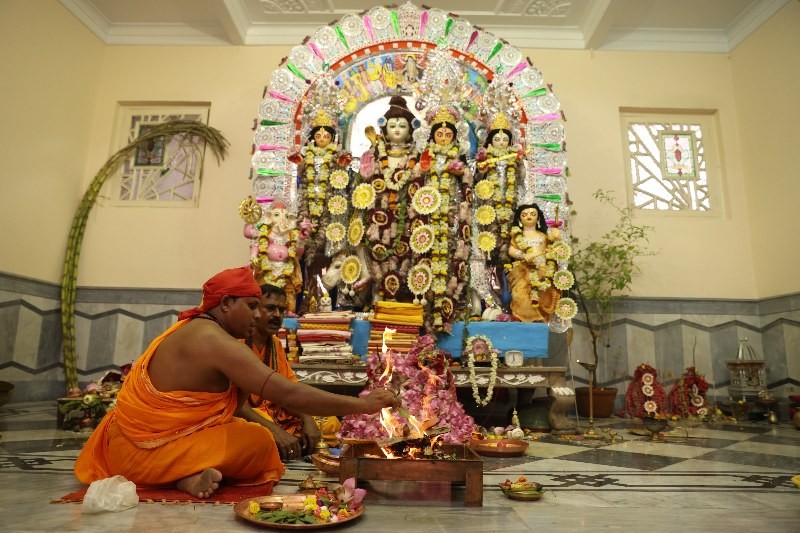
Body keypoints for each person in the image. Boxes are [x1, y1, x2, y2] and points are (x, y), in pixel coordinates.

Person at [73, 267, 398, 499]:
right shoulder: (215, 341)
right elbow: (287, 392)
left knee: (253, 433)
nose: (258, 316)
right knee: (260, 444)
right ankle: (179, 477)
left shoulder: (199, 328)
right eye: (253, 306)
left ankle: (185, 476)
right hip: (141, 454)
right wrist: (363, 405)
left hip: (126, 442)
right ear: (226, 304)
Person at [238, 284, 341, 460]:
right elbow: (234, 405)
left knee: (331, 424)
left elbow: (289, 391)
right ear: (254, 309)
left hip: (278, 415)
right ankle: (286, 444)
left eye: (281, 310)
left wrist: (307, 418)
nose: (277, 315)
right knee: (258, 431)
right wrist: (274, 430)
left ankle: (288, 445)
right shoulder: (237, 342)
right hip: (249, 416)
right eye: (270, 308)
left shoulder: (275, 344)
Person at [507, 204, 562, 322]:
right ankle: (524, 320)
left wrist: (557, 238)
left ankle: (539, 321)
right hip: (523, 271)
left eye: (533, 214)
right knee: (521, 295)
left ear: (538, 218)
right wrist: (523, 255)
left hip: (542, 271)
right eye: (524, 215)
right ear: (519, 219)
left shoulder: (543, 236)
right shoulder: (518, 236)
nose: (529, 217)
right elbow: (511, 250)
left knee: (542, 295)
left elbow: (552, 250)